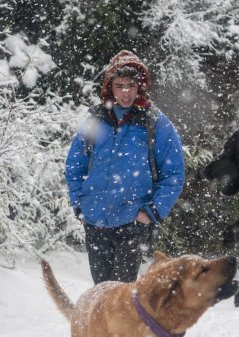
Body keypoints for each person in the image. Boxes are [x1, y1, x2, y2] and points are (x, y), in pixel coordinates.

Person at [65, 50, 185, 284]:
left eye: (131, 85)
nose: (126, 92)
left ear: (140, 86)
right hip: (95, 221)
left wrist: (151, 213)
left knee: (121, 293)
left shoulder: (155, 122)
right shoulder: (96, 120)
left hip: (132, 223)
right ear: (110, 87)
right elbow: (74, 166)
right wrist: (79, 205)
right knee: (101, 292)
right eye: (119, 86)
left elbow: (174, 174)